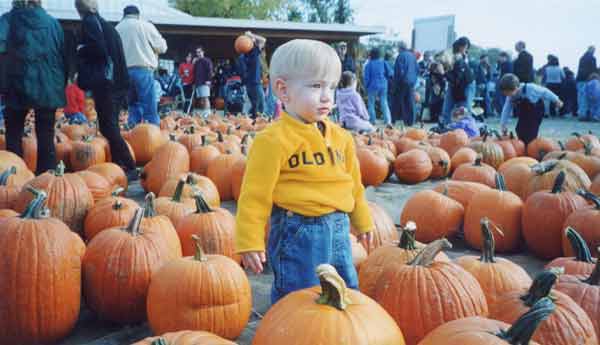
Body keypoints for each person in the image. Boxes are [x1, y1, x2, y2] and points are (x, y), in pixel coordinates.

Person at [235, 39, 374, 305]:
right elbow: (254, 195)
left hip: (339, 227)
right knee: (299, 298)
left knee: (346, 292)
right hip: (298, 230)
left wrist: (363, 220)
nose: (326, 96)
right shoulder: (273, 140)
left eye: (331, 87)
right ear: (283, 90)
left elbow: (353, 185)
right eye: (316, 86)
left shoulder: (342, 137)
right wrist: (249, 240)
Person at [75, 0, 138, 181]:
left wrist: (81, 49)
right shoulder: (105, 25)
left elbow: (99, 49)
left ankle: (129, 164)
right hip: (119, 81)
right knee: (110, 125)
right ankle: (119, 163)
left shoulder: (89, 22)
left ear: (79, 8)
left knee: (108, 126)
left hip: (108, 84)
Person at [1, 0, 65, 175]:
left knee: (14, 132)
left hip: (17, 84)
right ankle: (47, 177)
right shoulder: (53, 23)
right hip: (49, 86)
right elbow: (63, 55)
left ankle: (15, 175)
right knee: (46, 133)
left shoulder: (8, 20)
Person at [116, 5, 167, 127]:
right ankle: (152, 132)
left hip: (124, 72)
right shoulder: (145, 26)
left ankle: (134, 130)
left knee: (133, 105)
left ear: (124, 15)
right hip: (143, 70)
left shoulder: (117, 28)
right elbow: (162, 47)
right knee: (149, 106)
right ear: (138, 15)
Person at [500, 73, 563, 146]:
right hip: (524, 112)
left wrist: (556, 100)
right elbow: (506, 109)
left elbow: (545, 92)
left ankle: (531, 147)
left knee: (531, 131)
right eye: (506, 94)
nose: (508, 96)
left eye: (509, 93)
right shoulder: (510, 96)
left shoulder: (531, 88)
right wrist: (503, 124)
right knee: (519, 129)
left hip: (536, 110)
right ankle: (523, 146)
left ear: (516, 87)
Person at [441, 37, 475, 125]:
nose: (465, 49)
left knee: (465, 108)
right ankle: (446, 127)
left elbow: (457, 78)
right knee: (447, 108)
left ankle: (468, 128)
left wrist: (444, 73)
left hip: (466, 83)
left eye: (466, 47)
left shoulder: (461, 60)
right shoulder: (450, 54)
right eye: (464, 47)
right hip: (454, 83)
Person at [240, 31, 267, 118]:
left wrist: (251, 37)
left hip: (250, 83)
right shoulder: (253, 52)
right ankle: (257, 121)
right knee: (260, 104)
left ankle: (252, 120)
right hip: (254, 82)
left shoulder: (245, 54)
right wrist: (251, 35)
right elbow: (263, 40)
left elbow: (262, 41)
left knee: (255, 104)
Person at [392, 41, 419, 126]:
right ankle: (410, 121)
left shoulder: (400, 56)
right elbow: (417, 69)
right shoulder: (412, 56)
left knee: (397, 101)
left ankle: (393, 120)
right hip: (411, 82)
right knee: (410, 101)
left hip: (402, 81)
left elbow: (399, 71)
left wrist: (396, 83)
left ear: (400, 48)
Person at [363, 47, 392, 125]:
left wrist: (366, 87)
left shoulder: (368, 65)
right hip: (383, 85)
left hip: (372, 86)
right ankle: (388, 120)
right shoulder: (383, 62)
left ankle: (372, 120)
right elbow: (390, 73)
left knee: (371, 103)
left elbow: (366, 78)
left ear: (371, 54)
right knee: (384, 102)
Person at [576, 46, 597, 121]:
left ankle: (582, 114)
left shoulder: (581, 58)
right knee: (587, 98)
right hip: (588, 80)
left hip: (580, 80)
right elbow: (593, 70)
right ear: (592, 50)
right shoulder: (592, 59)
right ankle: (586, 115)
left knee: (581, 98)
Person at [192, 46, 213, 116]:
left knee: (205, 97)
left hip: (205, 82)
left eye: (199, 52)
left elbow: (210, 70)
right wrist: (193, 63)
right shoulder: (197, 62)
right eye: (197, 52)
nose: (198, 54)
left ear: (203, 52)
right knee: (201, 99)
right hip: (198, 82)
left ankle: (208, 112)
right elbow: (194, 72)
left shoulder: (207, 60)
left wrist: (209, 80)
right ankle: (204, 112)